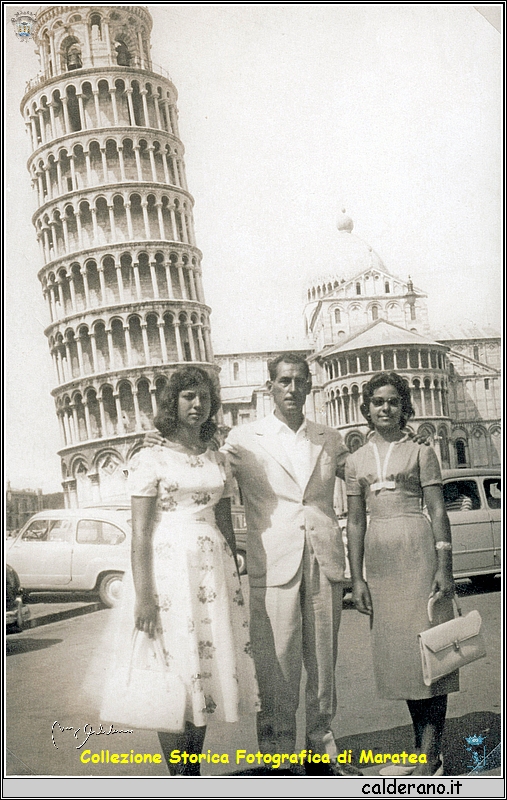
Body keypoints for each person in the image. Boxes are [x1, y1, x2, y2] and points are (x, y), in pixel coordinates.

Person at [102, 366, 259, 776]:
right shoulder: (150, 458)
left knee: (202, 676)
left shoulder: (216, 457)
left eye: (204, 397)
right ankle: (180, 779)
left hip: (212, 574)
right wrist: (146, 596)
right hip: (170, 573)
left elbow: (224, 519)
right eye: (188, 396)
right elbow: (139, 536)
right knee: (173, 675)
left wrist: (234, 577)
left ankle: (194, 775)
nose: (197, 404)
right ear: (173, 402)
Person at [221, 353, 362, 776]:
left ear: (309, 385)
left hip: (323, 557)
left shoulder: (329, 437)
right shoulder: (243, 440)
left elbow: (360, 475)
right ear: (270, 387)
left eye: (300, 380)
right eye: (284, 381)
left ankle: (321, 749)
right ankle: (278, 758)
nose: (292, 388)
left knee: (323, 661)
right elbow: (209, 478)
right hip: (273, 562)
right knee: (276, 664)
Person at [346, 372, 458, 777]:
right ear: (368, 408)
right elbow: (356, 523)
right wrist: (357, 579)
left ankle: (432, 756)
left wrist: (444, 565)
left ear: (404, 406)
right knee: (405, 662)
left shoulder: (421, 452)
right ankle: (422, 751)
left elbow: (439, 510)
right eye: (378, 401)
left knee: (432, 651)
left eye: (393, 401)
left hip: (419, 553)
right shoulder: (355, 461)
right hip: (381, 566)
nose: (385, 408)